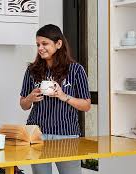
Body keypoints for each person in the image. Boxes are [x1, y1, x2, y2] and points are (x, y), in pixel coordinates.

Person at [20, 24, 91, 174]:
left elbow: (86, 105)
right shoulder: (32, 70)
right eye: (38, 44)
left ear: (58, 44)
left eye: (44, 43)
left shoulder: (76, 70)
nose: (40, 48)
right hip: (36, 133)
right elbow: (23, 105)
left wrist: (63, 96)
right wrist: (31, 97)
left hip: (66, 134)